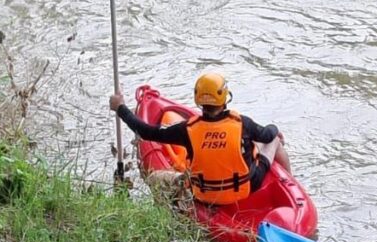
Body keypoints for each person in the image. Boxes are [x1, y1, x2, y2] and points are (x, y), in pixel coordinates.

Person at [108, 71, 291, 205]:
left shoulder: (187, 129)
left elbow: (147, 132)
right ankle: (289, 185)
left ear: (198, 99)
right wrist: (275, 129)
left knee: (158, 177)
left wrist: (121, 108)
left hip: (204, 195)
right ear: (225, 98)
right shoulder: (243, 124)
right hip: (246, 188)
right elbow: (267, 135)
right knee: (272, 140)